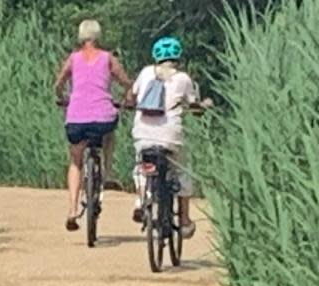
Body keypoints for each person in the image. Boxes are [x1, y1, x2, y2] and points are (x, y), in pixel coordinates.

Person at [125, 36, 212, 238]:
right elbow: (195, 107)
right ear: (178, 58)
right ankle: (183, 220)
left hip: (143, 134)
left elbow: (131, 97)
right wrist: (205, 105)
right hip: (170, 137)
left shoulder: (146, 72)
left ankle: (141, 199)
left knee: (142, 168)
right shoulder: (183, 79)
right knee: (181, 172)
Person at [53, 19, 133, 231]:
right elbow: (126, 83)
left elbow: (59, 83)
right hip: (102, 117)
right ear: (98, 36)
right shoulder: (108, 59)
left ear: (81, 36)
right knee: (109, 132)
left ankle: (72, 211)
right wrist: (127, 98)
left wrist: (61, 97)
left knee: (75, 161)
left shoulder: (73, 59)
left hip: (76, 117)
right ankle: (107, 173)